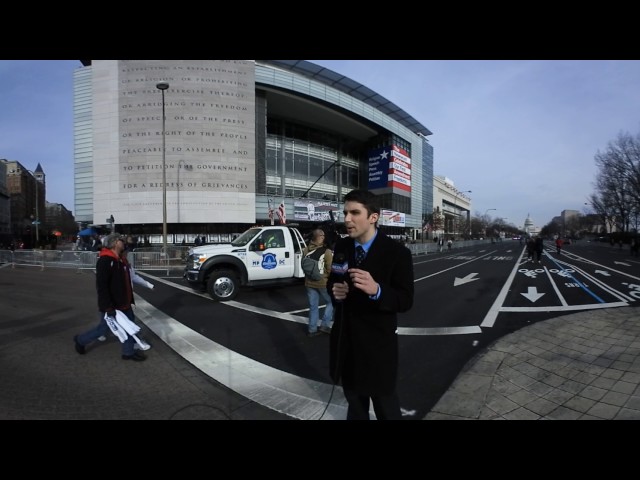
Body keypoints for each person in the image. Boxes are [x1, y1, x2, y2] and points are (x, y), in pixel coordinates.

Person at [328, 189, 414, 420]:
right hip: (346, 344)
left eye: (355, 213)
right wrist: (336, 291)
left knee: (386, 407)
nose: (347, 219)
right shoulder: (343, 247)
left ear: (373, 217)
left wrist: (377, 290)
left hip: (378, 349)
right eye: (345, 212)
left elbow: (405, 300)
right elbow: (333, 281)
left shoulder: (397, 253)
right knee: (355, 407)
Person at [73, 233, 147, 361]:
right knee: (103, 329)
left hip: (124, 302)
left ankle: (128, 352)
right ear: (114, 243)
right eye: (120, 240)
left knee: (129, 326)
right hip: (112, 304)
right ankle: (81, 340)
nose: (123, 242)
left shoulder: (121, 260)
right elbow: (102, 286)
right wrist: (107, 306)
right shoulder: (105, 261)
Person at [302, 229, 334, 337]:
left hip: (309, 283)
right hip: (322, 283)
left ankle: (312, 329)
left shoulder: (305, 250)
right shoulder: (327, 252)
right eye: (323, 235)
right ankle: (324, 325)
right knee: (331, 302)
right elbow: (330, 269)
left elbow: (304, 266)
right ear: (320, 237)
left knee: (313, 306)